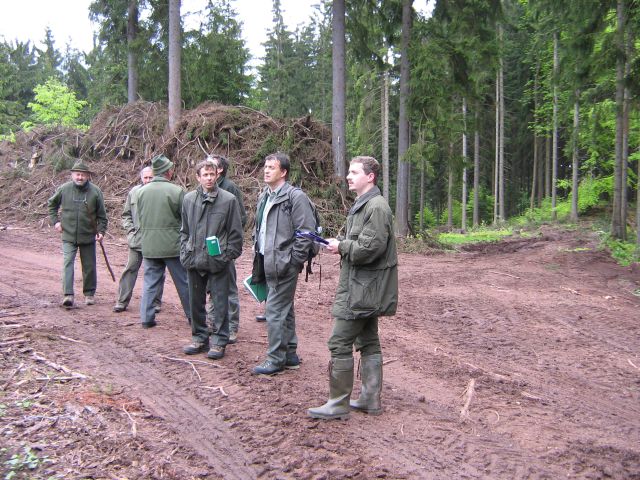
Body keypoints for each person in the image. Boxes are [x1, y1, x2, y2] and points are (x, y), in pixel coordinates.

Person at [308, 156, 398, 420]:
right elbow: (361, 242)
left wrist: (342, 246)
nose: (348, 176)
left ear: (370, 177)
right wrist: (339, 242)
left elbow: (370, 249)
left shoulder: (376, 207)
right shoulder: (364, 204)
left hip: (362, 290)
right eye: (349, 171)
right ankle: (370, 399)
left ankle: (338, 404)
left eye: (354, 172)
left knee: (339, 342)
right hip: (363, 287)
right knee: (368, 341)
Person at [250, 152, 316, 375]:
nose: (266, 170)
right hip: (268, 261)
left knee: (275, 310)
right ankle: (289, 355)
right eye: (266, 166)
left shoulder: (295, 197)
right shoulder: (265, 196)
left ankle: (275, 359)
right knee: (283, 309)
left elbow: (306, 232)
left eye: (272, 167)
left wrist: (293, 260)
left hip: (283, 263)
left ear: (284, 172)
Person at [180, 158, 243, 359]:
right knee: (195, 302)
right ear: (197, 177)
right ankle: (199, 338)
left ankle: (218, 342)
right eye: (205, 175)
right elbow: (184, 231)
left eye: (212, 174)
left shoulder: (228, 200)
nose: (209, 178)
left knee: (220, 303)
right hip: (194, 259)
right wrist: (185, 253)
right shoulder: (189, 199)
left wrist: (226, 256)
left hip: (218, 261)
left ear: (217, 175)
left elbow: (236, 234)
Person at [136, 154, 190, 329]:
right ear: (168, 172)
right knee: (184, 283)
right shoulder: (176, 191)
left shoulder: (140, 192)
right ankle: (193, 317)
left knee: (150, 282)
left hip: (149, 245)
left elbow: (139, 217)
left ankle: (146, 318)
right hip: (172, 246)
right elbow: (186, 218)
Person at [47, 160, 108, 307]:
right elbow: (52, 205)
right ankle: (68, 295)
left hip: (88, 235)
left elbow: (102, 216)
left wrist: (101, 231)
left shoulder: (95, 191)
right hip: (68, 235)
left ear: (88, 176)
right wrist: (56, 222)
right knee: (68, 263)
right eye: (77, 174)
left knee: (89, 266)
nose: (80, 177)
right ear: (72, 175)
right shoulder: (64, 189)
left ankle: (89, 294)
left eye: (83, 175)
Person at [205, 155, 246, 344]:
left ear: (219, 169)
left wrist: (228, 245)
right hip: (206, 249)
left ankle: (231, 328)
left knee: (228, 288)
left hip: (224, 249)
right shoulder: (203, 190)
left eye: (211, 166)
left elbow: (241, 219)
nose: (208, 173)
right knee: (210, 287)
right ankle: (213, 323)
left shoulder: (230, 188)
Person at [113, 166, 164, 313]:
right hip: (137, 240)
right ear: (141, 178)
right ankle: (122, 301)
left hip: (155, 241)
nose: (148, 180)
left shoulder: (161, 192)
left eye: (151, 177)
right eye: (145, 177)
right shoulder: (133, 192)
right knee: (130, 269)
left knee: (156, 272)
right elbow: (126, 215)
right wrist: (130, 231)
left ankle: (155, 303)